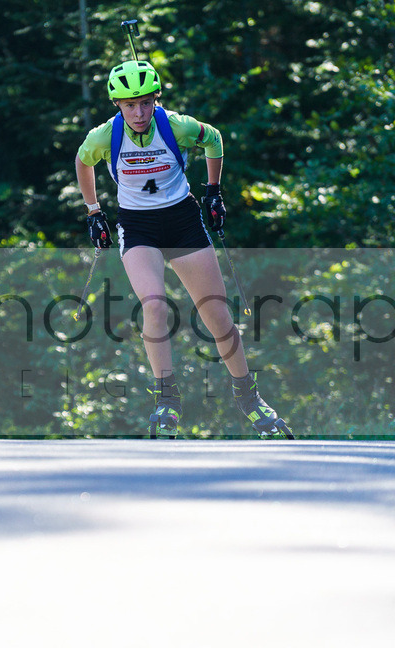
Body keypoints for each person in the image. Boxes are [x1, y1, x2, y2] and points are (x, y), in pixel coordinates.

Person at [74, 59, 292, 438]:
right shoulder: (104, 136)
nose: (139, 113)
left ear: (156, 98)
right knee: (154, 306)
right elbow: (82, 161)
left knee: (217, 315)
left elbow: (214, 139)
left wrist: (213, 191)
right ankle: (167, 398)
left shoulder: (175, 125)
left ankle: (248, 397)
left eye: (146, 102)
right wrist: (93, 210)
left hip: (183, 221)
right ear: (117, 106)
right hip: (138, 226)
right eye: (129, 105)